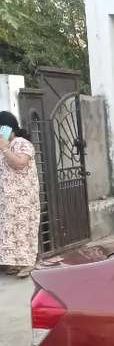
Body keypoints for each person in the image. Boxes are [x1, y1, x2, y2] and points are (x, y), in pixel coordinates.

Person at [0, 111, 41, 277]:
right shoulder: (4, 147)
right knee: (10, 230)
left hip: (24, 197)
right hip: (7, 198)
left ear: (9, 128)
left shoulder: (22, 144)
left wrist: (4, 147)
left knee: (24, 228)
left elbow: (20, 163)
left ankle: (28, 263)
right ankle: (14, 263)